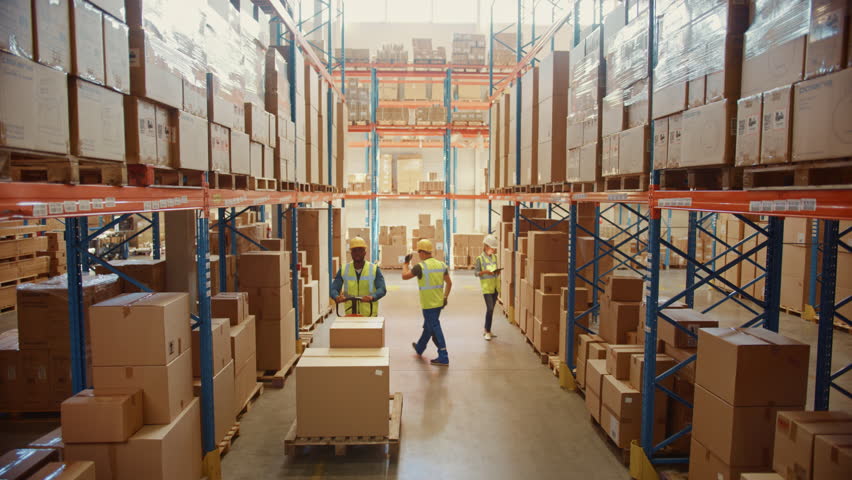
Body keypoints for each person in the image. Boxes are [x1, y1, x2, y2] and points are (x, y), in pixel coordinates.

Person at [402, 239, 452, 366]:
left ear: (422, 252)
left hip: (428, 305)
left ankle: (443, 355)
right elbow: (449, 283)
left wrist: (406, 263)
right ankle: (420, 347)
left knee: (435, 328)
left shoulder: (420, 267)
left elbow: (404, 276)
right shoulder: (441, 265)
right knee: (428, 327)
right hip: (439, 303)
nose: (419, 255)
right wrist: (445, 297)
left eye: (419, 252)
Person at [330, 236, 386, 316]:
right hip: (351, 314)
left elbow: (382, 289)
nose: (357, 253)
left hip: (369, 315)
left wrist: (372, 297)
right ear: (351, 253)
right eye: (354, 250)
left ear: (365, 252)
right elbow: (334, 288)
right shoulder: (344, 269)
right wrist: (336, 297)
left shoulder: (374, 269)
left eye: (360, 250)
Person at [475, 235, 501, 340]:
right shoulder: (480, 259)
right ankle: (487, 331)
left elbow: (495, 271)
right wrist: (485, 272)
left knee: (491, 310)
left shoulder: (495, 257)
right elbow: (476, 273)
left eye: (494, 248)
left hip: (495, 287)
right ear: (486, 246)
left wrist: (497, 272)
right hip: (486, 288)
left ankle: (487, 329)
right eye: (492, 248)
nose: (493, 250)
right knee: (490, 309)